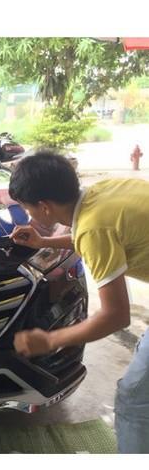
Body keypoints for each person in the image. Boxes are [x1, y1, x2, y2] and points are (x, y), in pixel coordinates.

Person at [8, 150, 149, 453]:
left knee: (135, 399)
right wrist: (44, 242)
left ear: (45, 207)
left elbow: (115, 316)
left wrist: (50, 340)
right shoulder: (103, 191)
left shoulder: (93, 229)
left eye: (27, 208)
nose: (29, 216)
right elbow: (96, 234)